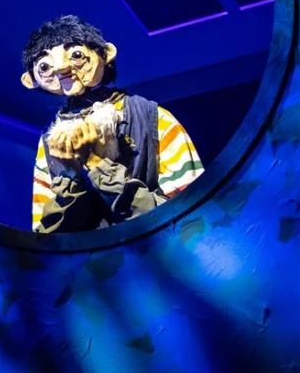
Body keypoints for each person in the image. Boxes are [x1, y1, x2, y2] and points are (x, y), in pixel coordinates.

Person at [21, 16, 204, 233]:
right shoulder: (50, 143)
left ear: (105, 53)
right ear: (31, 80)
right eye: (44, 66)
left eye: (76, 55)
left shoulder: (151, 117)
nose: (62, 67)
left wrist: (96, 164)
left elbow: (191, 211)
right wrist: (71, 175)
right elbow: (47, 235)